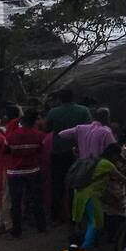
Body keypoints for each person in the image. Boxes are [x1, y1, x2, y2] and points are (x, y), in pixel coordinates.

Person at [44, 89, 91, 222]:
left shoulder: (53, 112)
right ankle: (74, 215)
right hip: (77, 152)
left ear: (59, 99)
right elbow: (89, 128)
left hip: (58, 152)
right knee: (77, 184)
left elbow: (47, 129)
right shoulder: (83, 111)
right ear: (73, 97)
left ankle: (55, 216)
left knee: (57, 184)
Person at [4, 108, 47, 238]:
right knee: (37, 199)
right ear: (34, 121)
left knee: (16, 202)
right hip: (33, 171)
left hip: (15, 172)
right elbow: (40, 151)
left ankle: (17, 230)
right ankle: (41, 226)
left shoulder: (11, 136)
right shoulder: (39, 135)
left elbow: (5, 151)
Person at [71, 144, 124, 249]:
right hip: (90, 196)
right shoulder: (108, 164)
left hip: (80, 192)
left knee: (84, 221)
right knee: (94, 223)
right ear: (114, 155)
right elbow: (122, 177)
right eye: (118, 156)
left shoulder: (96, 160)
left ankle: (76, 244)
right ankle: (85, 248)